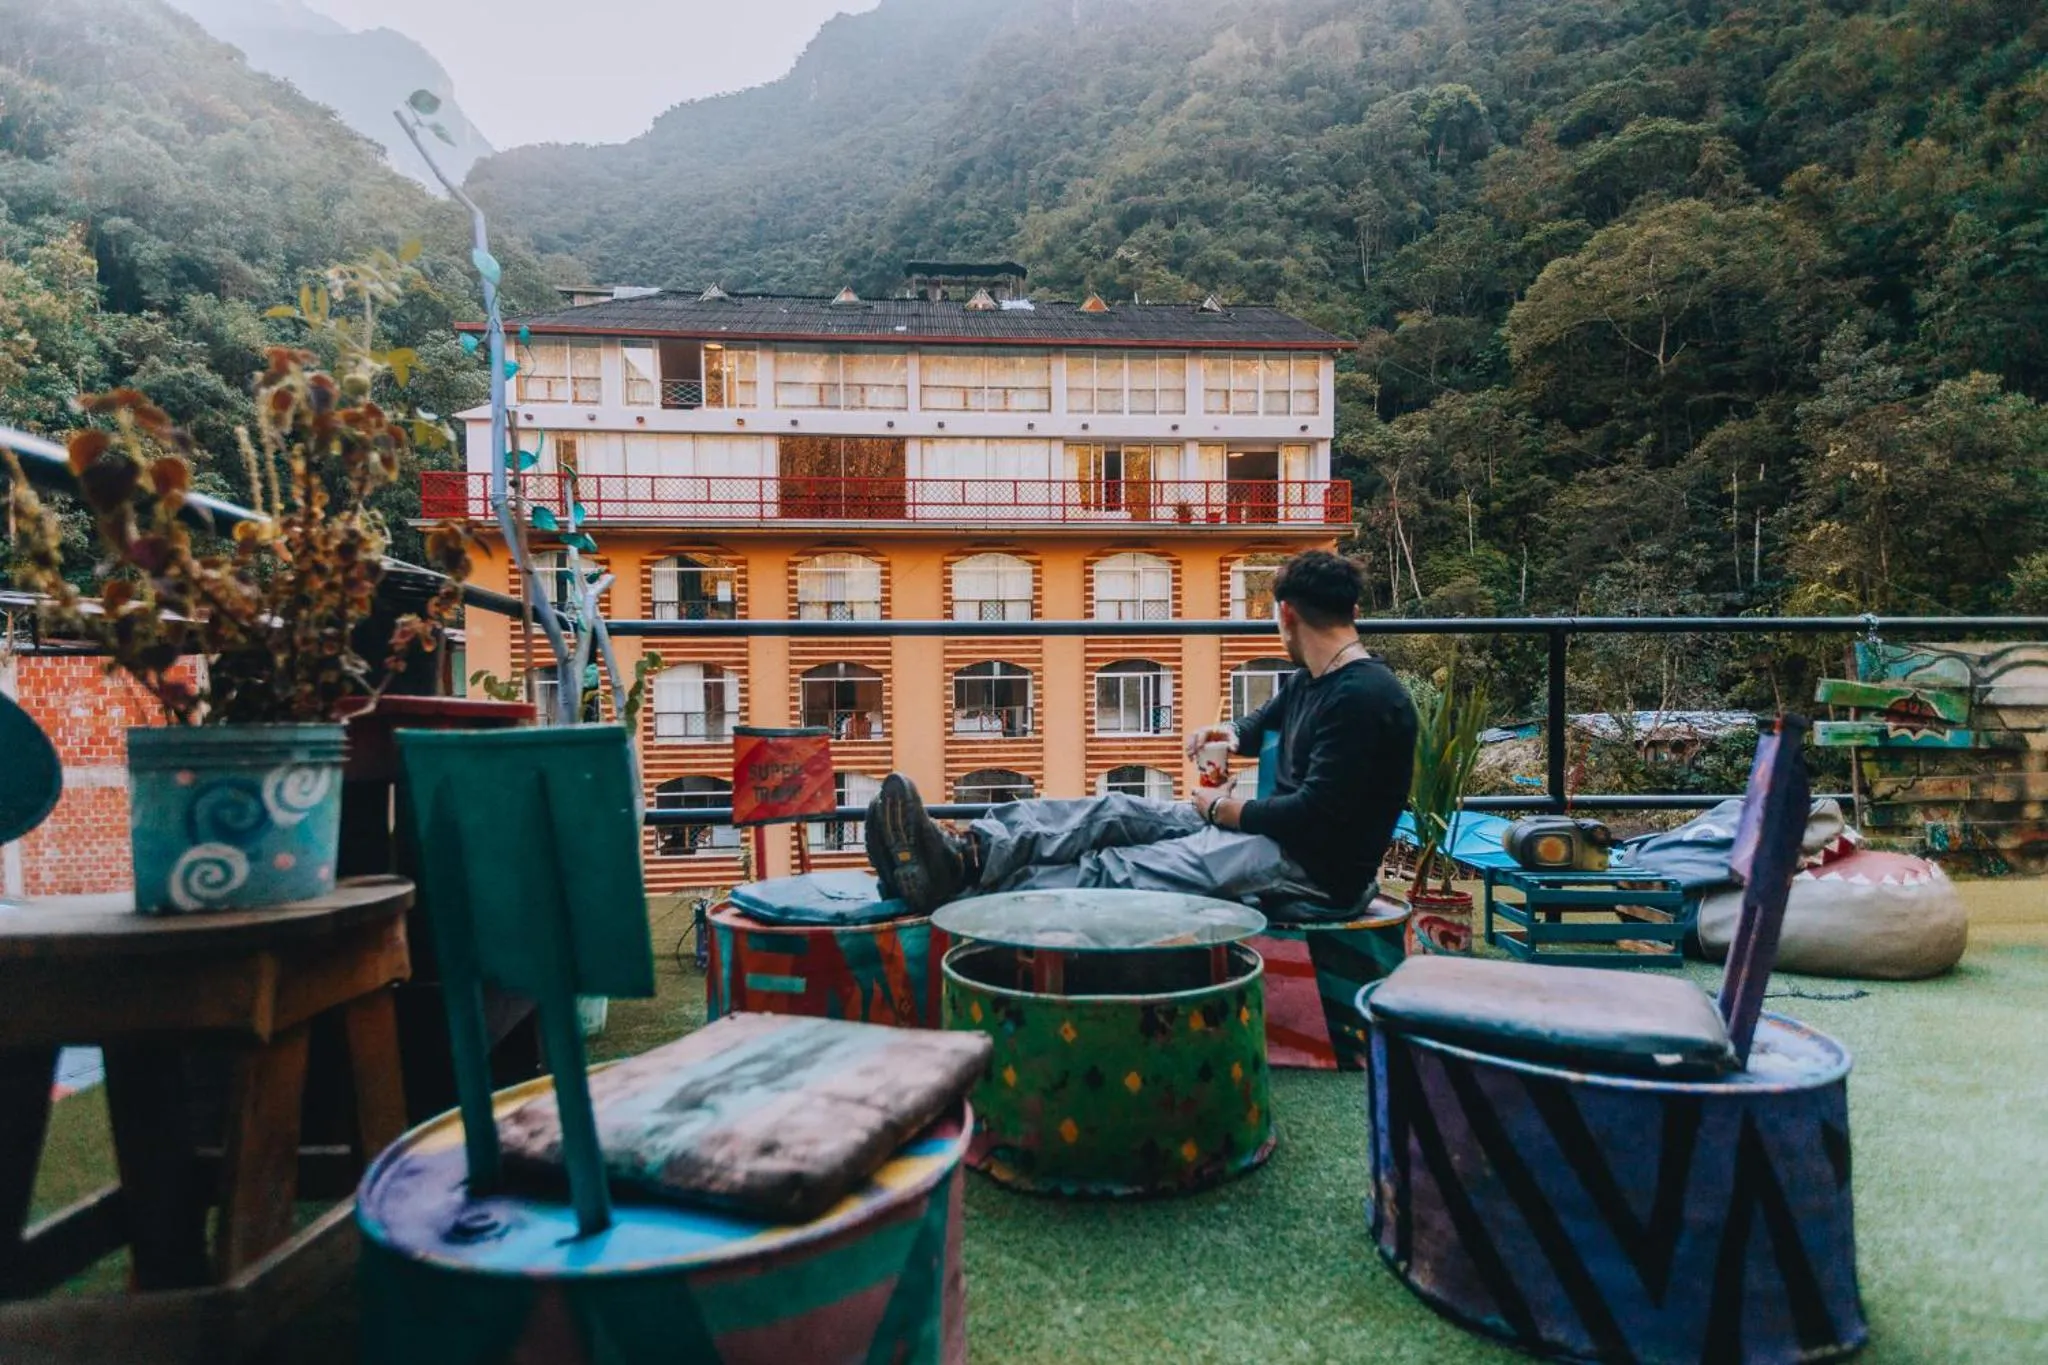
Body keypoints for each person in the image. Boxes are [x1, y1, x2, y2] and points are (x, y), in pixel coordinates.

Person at [864, 549, 1418, 919]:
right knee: (1112, 813)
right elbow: (1258, 727)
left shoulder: (1365, 698)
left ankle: (956, 894)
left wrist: (1220, 812)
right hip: (1265, 836)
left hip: (1311, 872)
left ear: (1286, 615)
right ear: (1352, 610)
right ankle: (967, 855)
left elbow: (1316, 815)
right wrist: (1226, 732)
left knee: (1117, 868)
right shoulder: (1312, 680)